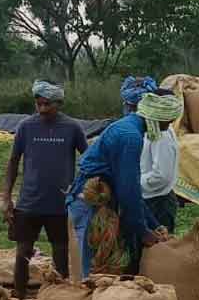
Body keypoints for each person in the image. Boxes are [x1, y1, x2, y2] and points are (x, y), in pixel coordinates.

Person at [66, 89, 178, 278]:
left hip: (99, 199)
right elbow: (128, 192)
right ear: (156, 118)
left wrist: (153, 223)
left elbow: (129, 188)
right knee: (95, 271)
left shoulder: (129, 128)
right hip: (92, 201)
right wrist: (144, 232)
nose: (167, 127)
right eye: (167, 122)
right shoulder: (130, 137)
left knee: (102, 268)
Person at [1, 80, 88, 297]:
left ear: (59, 103)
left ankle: (61, 297)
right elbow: (13, 162)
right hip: (28, 202)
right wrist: (6, 198)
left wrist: (80, 189)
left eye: (47, 104)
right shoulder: (26, 127)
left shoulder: (72, 128)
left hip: (60, 204)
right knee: (23, 252)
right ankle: (19, 296)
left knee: (60, 251)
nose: (42, 109)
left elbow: (88, 160)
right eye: (39, 104)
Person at [141, 89, 182, 233]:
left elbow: (161, 177)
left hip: (157, 202)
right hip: (151, 198)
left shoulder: (162, 135)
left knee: (158, 250)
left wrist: (133, 183)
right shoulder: (153, 129)